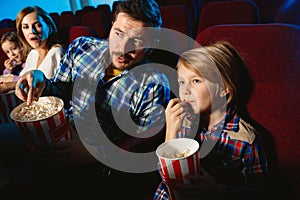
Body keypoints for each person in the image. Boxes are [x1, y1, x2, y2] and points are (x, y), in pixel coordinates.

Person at [11, 0, 170, 199]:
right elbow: (59, 90)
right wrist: (41, 80)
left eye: (137, 41)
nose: (122, 48)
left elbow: (142, 143)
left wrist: (96, 154)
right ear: (111, 24)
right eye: (118, 33)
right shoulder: (81, 47)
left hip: (98, 169)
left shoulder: (155, 83)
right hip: (57, 139)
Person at [154, 41, 270, 200]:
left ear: (224, 88)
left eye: (196, 81)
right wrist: (171, 137)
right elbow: (166, 179)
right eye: (181, 82)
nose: (185, 91)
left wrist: (220, 192)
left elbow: (260, 193)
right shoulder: (182, 123)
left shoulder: (246, 140)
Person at [0, 6, 64, 94]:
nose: (32, 31)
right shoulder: (33, 54)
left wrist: (10, 84)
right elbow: (22, 78)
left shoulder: (57, 53)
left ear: (49, 28)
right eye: (26, 27)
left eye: (38, 25)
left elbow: (56, 90)